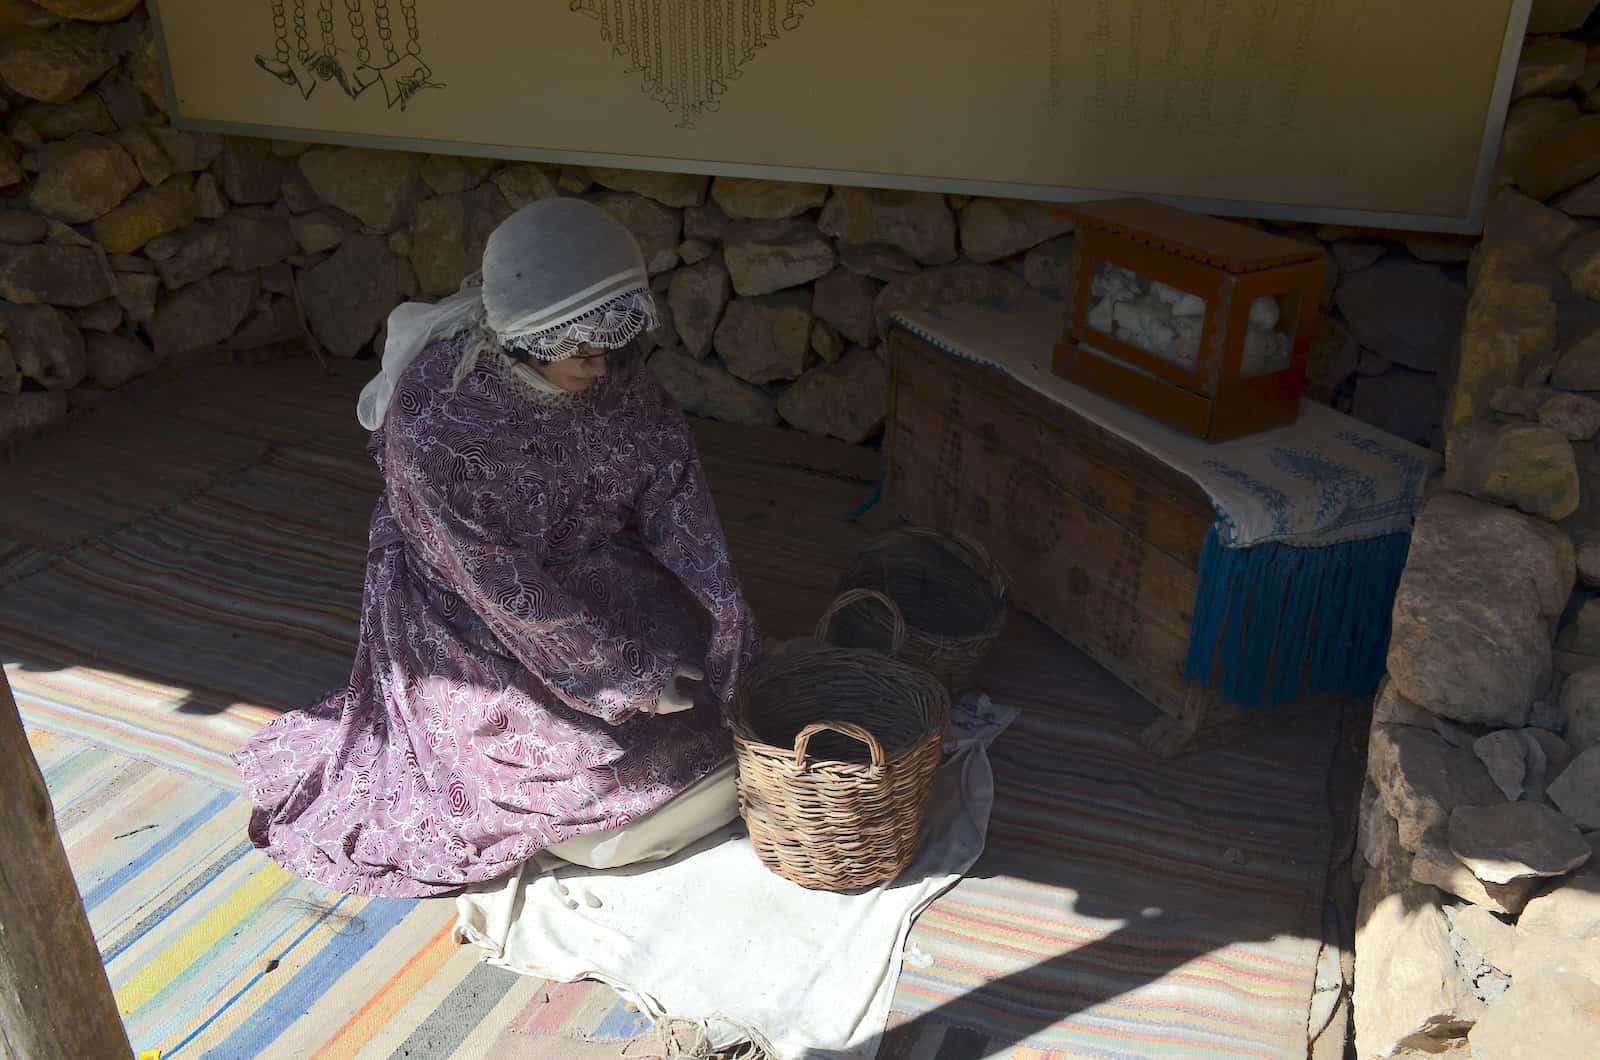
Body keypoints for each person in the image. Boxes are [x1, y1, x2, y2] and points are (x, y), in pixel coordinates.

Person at [234, 198, 760, 898]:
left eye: (612, 342)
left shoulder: (626, 389)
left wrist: (725, 616)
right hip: (470, 615)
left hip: (603, 578)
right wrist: (630, 677)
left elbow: (678, 503)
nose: (600, 366)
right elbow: (500, 587)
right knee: (583, 767)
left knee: (715, 700)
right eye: (580, 347)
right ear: (527, 333)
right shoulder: (438, 419)